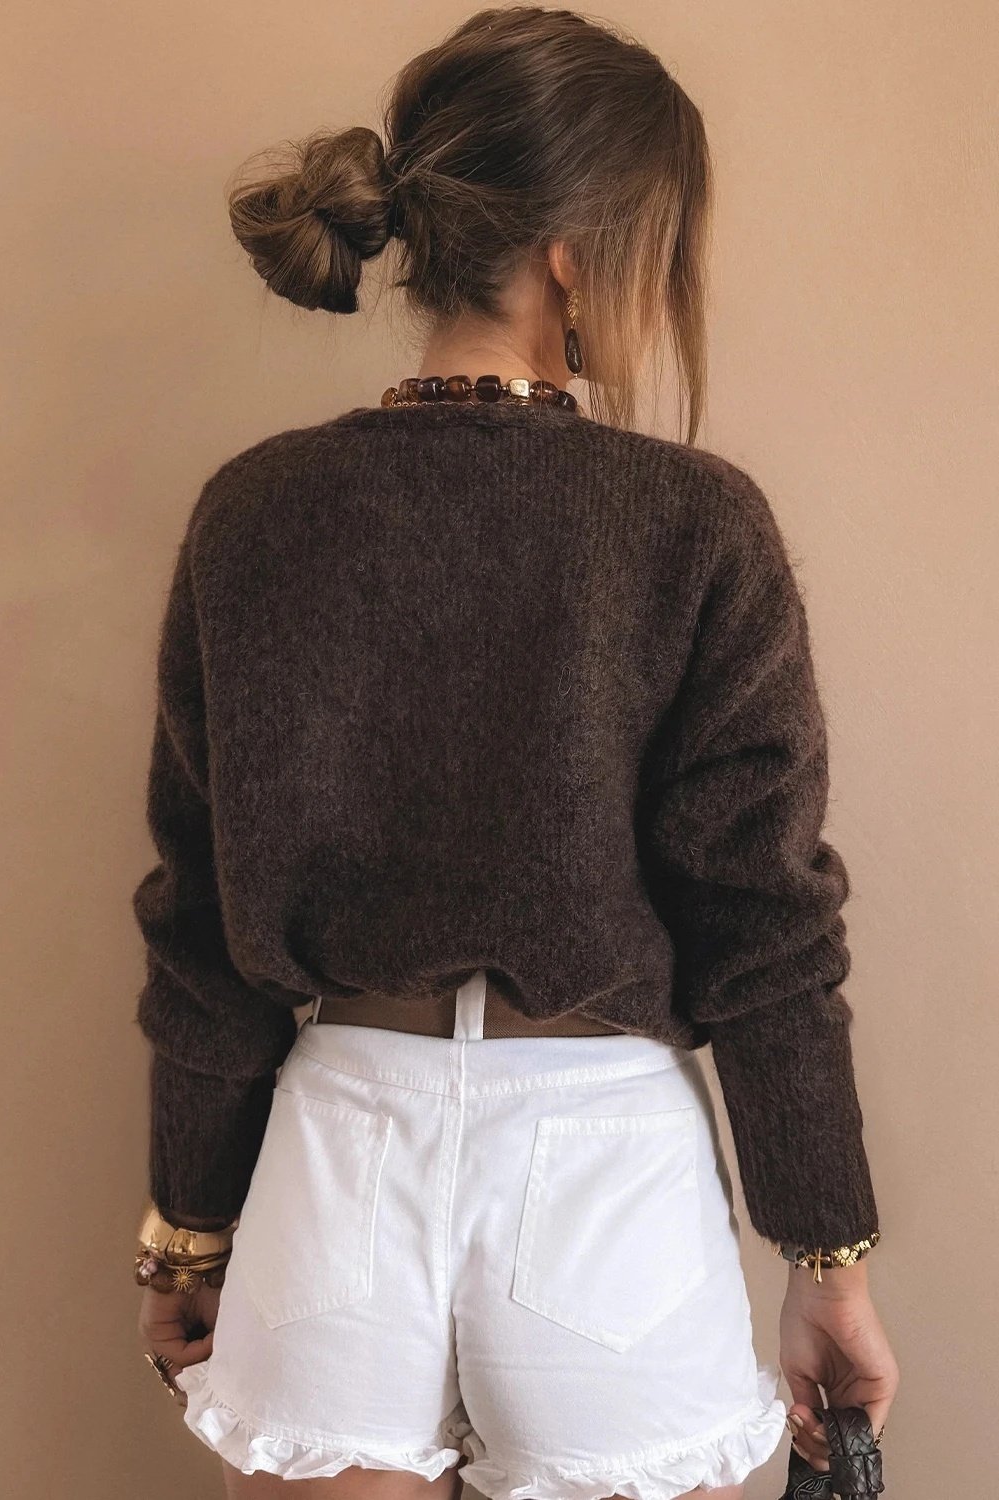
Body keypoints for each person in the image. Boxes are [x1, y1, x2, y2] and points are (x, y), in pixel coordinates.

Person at [132, 8, 899, 1498]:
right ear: (574, 255)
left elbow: (200, 920)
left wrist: (188, 1227)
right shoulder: (693, 521)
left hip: (336, 1152)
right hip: (602, 1168)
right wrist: (828, 1255)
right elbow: (762, 921)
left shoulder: (256, 511)